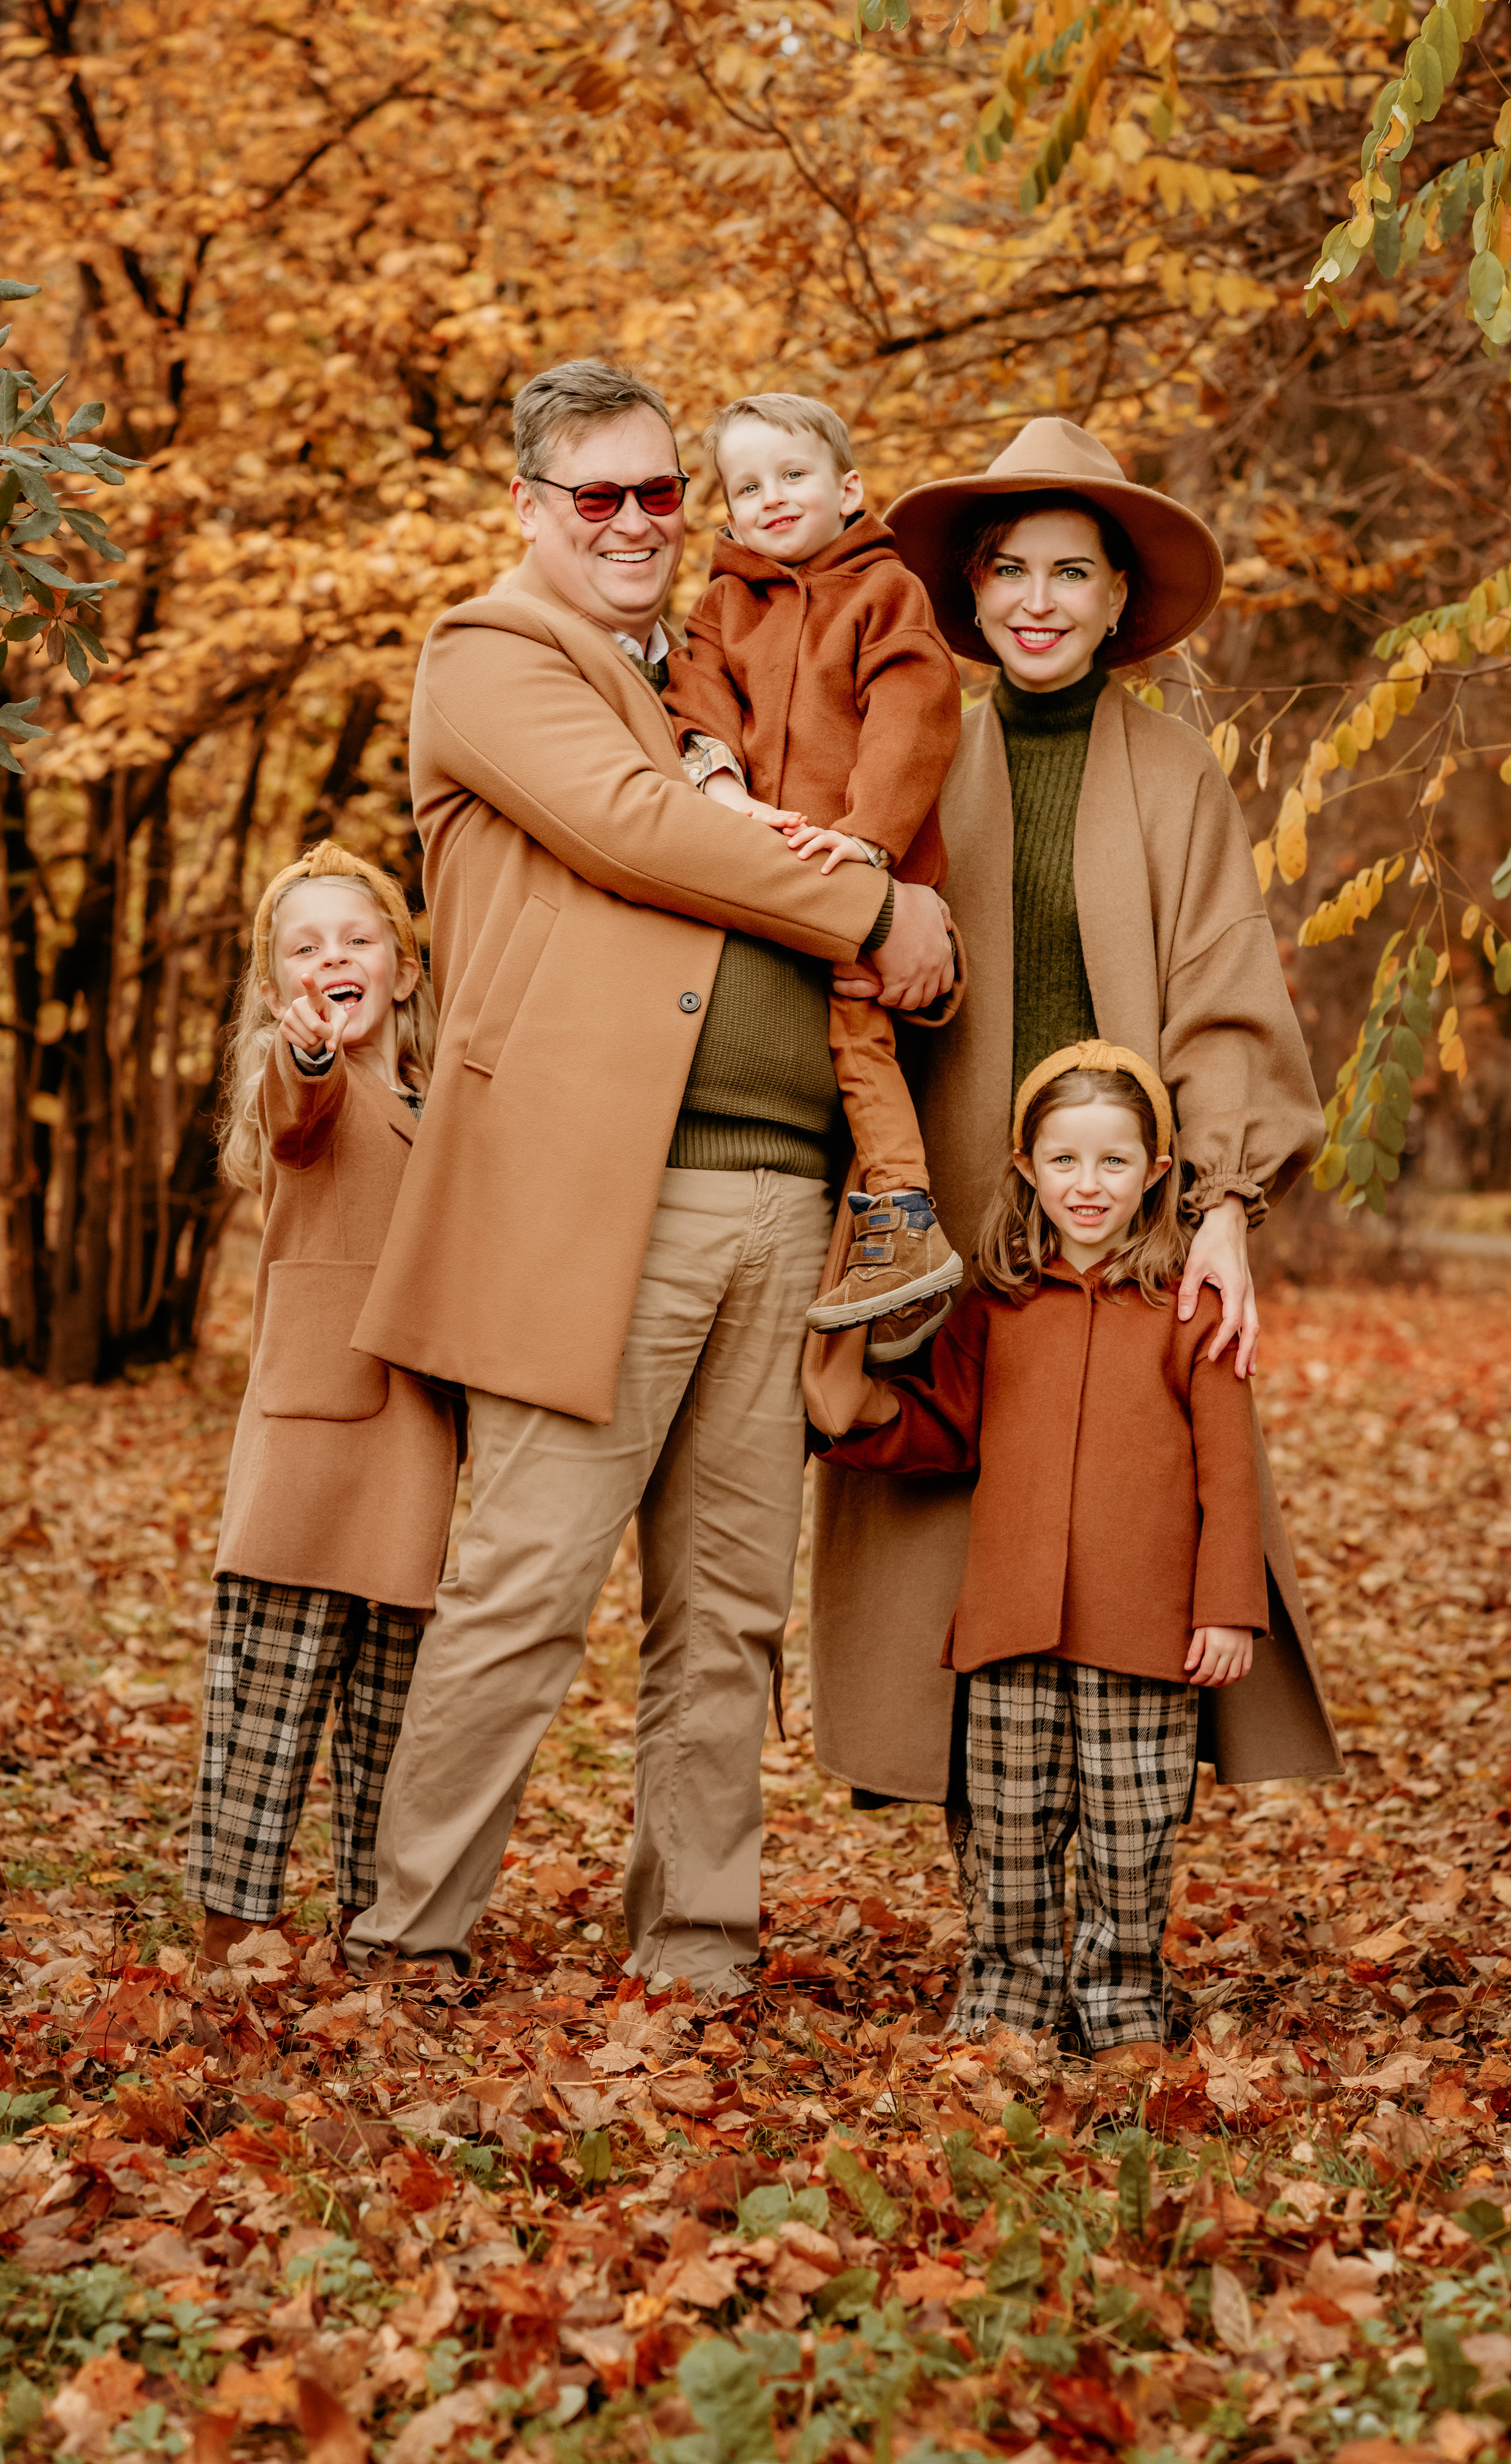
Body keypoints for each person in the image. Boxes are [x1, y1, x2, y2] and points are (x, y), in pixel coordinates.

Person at [346, 360, 955, 1997]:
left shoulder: (712, 668)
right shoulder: (492, 652)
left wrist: (922, 937)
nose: (634, 520)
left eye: (656, 492)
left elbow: (861, 792)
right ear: (531, 506)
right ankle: (413, 1926)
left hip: (781, 1193)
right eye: (596, 494)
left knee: (728, 1607)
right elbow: (639, 831)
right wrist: (877, 909)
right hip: (603, 1200)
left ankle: (696, 1943)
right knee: (530, 1579)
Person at [806, 414, 1341, 1814]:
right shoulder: (909, 763)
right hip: (948, 1216)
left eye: (1069, 572)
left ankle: (1116, 1904)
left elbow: (1225, 988)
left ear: (1117, 602)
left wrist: (1222, 1207)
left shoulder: (1173, 774)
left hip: (1121, 1222)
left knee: (1133, 1528)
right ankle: (996, 1909)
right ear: (970, 598)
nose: (1037, 600)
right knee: (944, 1525)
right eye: (1007, 569)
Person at [821, 1046, 1272, 2053]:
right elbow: (944, 1431)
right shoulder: (996, 1305)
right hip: (1010, 1623)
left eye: (1114, 1162)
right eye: (1065, 1160)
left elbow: (1229, 1475)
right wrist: (853, 1417)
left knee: (1131, 1833)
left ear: (1158, 1170)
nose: (1088, 1184)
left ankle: (1120, 2009)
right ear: (1026, 1166)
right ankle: (1007, 2006)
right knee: (1008, 1831)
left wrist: (1226, 1606)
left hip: (1144, 1629)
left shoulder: (1189, 1310)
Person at [187, 844, 459, 1969]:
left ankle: (372, 1918)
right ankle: (233, 1922)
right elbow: (294, 1103)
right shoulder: (314, 1082)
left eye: (355, 940)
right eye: (304, 948)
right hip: (313, 1445)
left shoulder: (443, 1097)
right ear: (274, 991)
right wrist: (305, 1052)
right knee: (270, 1702)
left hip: (420, 1438)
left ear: (403, 969)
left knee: (392, 1716)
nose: (332, 959)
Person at [662, 393, 966, 1335]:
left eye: (792, 475)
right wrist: (724, 794)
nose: (772, 497)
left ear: (847, 489)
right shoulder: (723, 603)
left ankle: (904, 1215)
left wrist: (869, 837)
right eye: (747, 486)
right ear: (726, 512)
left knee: (858, 1030)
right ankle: (878, 1238)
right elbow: (693, 700)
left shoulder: (885, 593)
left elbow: (912, 712)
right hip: (758, 861)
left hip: (852, 863)